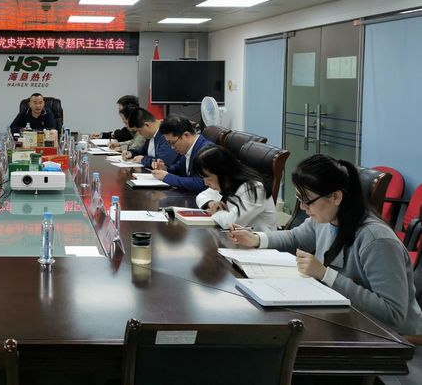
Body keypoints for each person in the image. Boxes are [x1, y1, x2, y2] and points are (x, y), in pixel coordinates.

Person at [230, 154, 422, 335]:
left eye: (307, 201)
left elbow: (392, 314)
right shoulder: (326, 219)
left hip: (391, 338)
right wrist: (256, 239)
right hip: (347, 320)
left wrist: (325, 274)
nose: (303, 208)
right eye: (299, 199)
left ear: (336, 197)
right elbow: (295, 238)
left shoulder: (377, 240)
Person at [192, 145, 277, 231]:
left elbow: (231, 222)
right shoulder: (226, 182)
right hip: (235, 236)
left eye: (208, 179)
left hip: (258, 238)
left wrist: (216, 211)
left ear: (222, 172)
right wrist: (211, 203)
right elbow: (201, 196)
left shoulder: (255, 188)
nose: (206, 183)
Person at [149, 115, 213, 192]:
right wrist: (164, 168)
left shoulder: (206, 151)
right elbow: (178, 168)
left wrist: (166, 177)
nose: (172, 147)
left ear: (186, 135)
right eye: (169, 143)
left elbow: (201, 184)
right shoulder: (189, 149)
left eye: (172, 142)